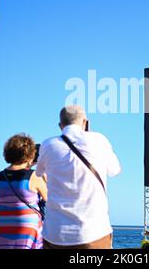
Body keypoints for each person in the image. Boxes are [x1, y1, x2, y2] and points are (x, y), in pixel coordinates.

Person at [36, 105, 121, 249]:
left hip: (55, 233)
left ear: (60, 125)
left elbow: (39, 173)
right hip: (93, 232)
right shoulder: (99, 140)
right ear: (86, 122)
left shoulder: (48, 144)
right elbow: (115, 170)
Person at [0, 134, 47, 249]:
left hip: (1, 229)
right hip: (27, 231)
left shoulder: (0, 176)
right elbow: (50, 199)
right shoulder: (33, 176)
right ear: (30, 154)